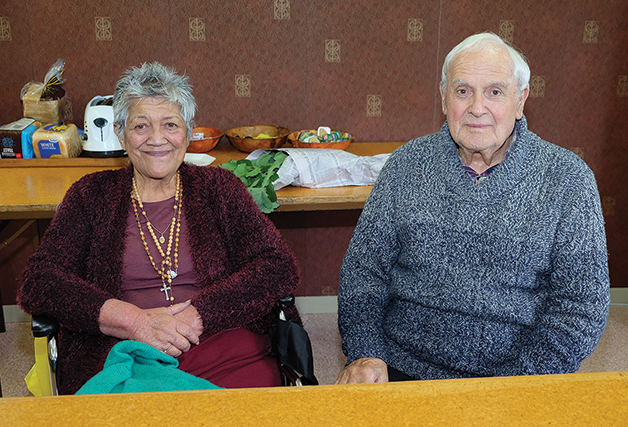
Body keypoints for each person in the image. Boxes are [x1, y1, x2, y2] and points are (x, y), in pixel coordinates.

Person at [335, 32, 610, 384]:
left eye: (495, 92)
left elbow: (581, 307)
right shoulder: (406, 165)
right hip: (402, 365)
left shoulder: (569, 179)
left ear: (520, 100)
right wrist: (365, 351)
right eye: (463, 91)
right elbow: (363, 271)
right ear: (444, 96)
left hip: (519, 377)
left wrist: (523, 380)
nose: (477, 108)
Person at [18, 62, 301, 395]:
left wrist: (199, 314)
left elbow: (278, 266)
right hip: (124, 351)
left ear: (188, 132)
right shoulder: (90, 196)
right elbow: (39, 282)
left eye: (170, 124)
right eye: (141, 125)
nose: (157, 139)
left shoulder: (219, 188)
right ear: (121, 133)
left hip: (221, 338)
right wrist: (134, 321)